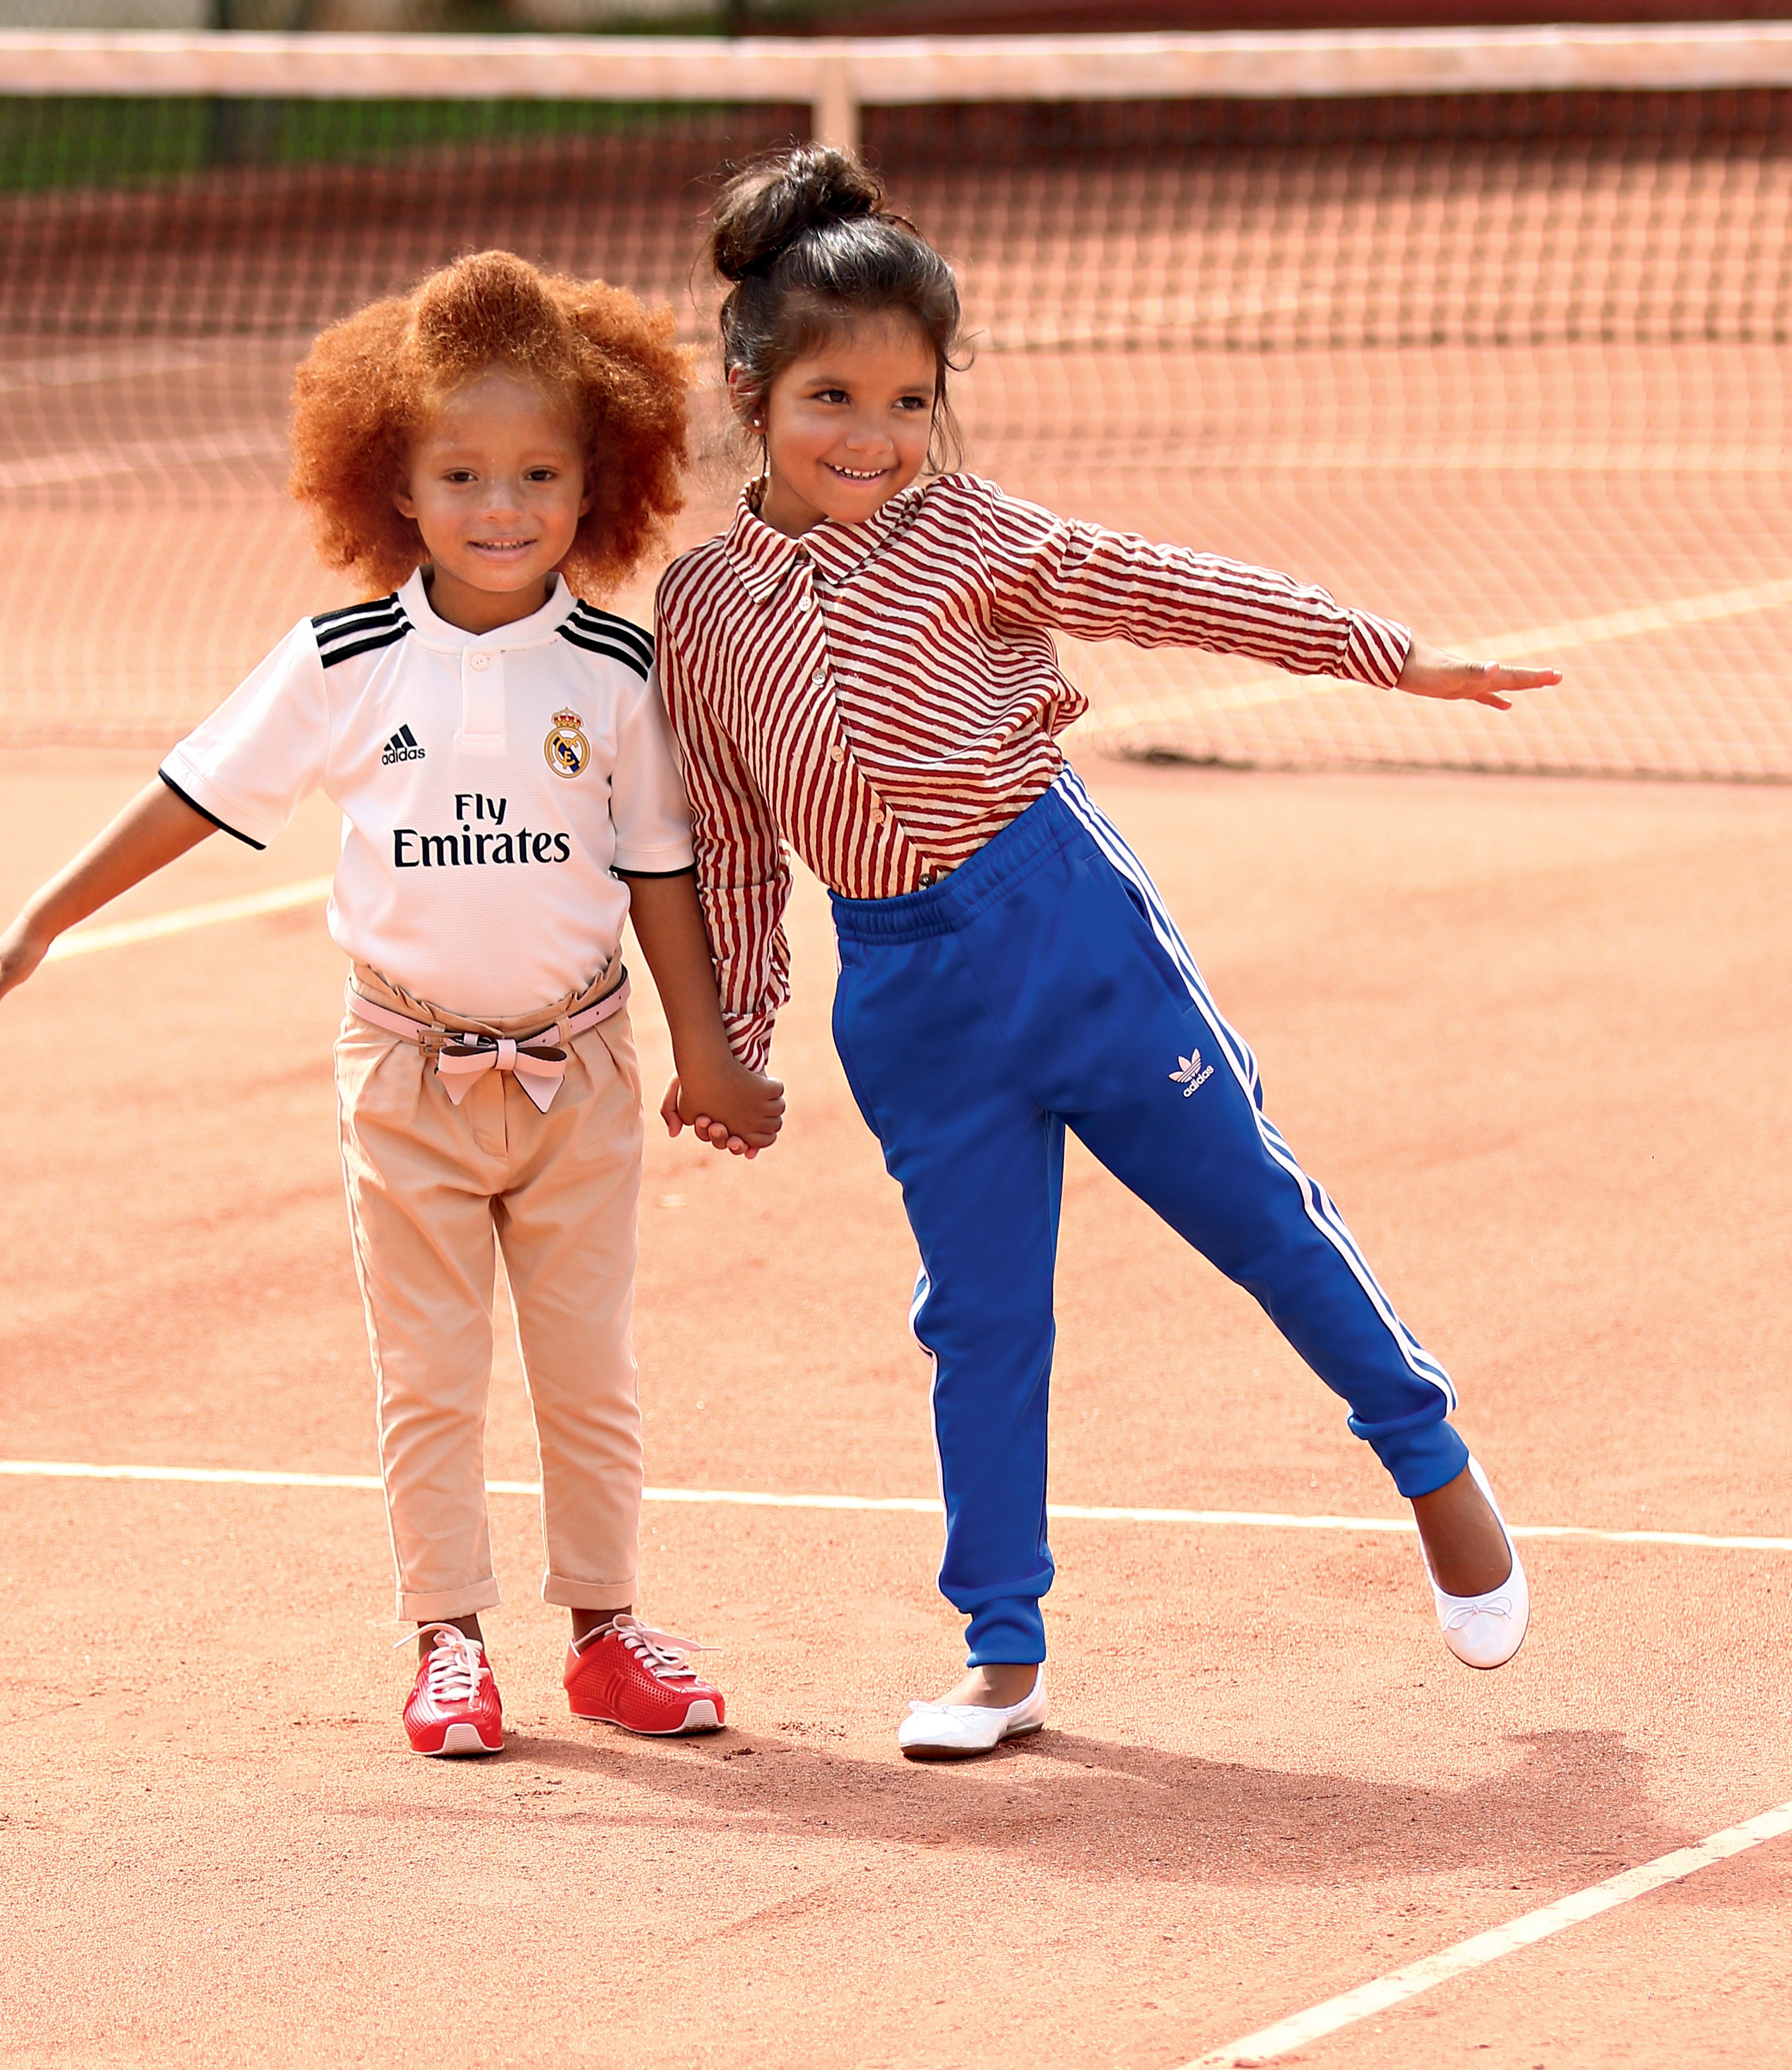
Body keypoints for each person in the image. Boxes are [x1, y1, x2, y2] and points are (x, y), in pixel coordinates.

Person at [651, 147, 1557, 1763]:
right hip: (904, 995)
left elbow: (1170, 587)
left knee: (1258, 1218)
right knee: (979, 1319)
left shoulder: (976, 535)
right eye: (834, 399)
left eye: (912, 403)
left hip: (1065, 927)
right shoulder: (704, 608)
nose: (876, 439)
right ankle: (1004, 1649)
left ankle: (1429, 1461)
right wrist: (740, 1029)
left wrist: (1388, 656)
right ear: (748, 390)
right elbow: (726, 832)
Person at [0, 250, 784, 1758]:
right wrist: (40, 918)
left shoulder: (624, 671)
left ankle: (605, 1633)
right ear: (395, 481)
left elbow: (662, 878)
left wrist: (710, 1060)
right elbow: (189, 796)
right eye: (460, 473)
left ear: (600, 485)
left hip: (578, 1076)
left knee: (592, 1373)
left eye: (538, 474)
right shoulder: (343, 662)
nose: (500, 506)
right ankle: (447, 1643)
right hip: (404, 1078)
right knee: (429, 1375)